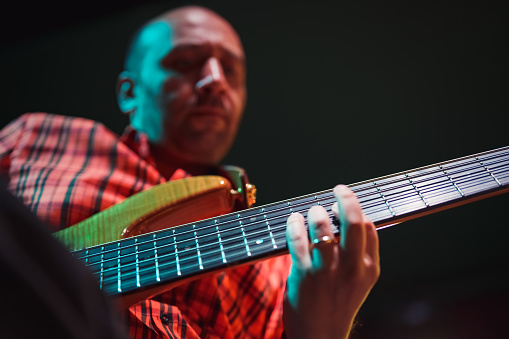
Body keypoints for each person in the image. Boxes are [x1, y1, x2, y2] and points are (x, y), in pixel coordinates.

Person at [0, 6, 379, 339]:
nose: (215, 79)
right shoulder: (39, 139)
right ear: (129, 92)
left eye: (231, 70)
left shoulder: (284, 268)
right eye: (185, 62)